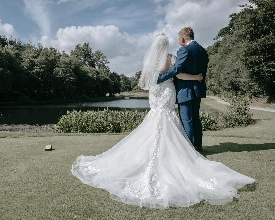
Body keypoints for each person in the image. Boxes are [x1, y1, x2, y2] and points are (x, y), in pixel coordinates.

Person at [71, 31, 255, 209]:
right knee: (168, 119)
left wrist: (158, 80)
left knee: (156, 119)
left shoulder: (151, 62)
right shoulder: (170, 57)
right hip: (166, 91)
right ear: (166, 45)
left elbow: (149, 81)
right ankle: (183, 152)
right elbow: (179, 74)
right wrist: (196, 77)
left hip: (156, 93)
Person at [157, 27, 208, 153]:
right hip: (197, 89)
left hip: (185, 90)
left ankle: (190, 150)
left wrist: (159, 78)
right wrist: (197, 79)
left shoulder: (184, 49)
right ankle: (198, 146)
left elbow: (176, 70)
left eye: (179, 38)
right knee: (196, 118)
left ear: (183, 38)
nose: (179, 40)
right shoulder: (203, 50)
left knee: (187, 120)